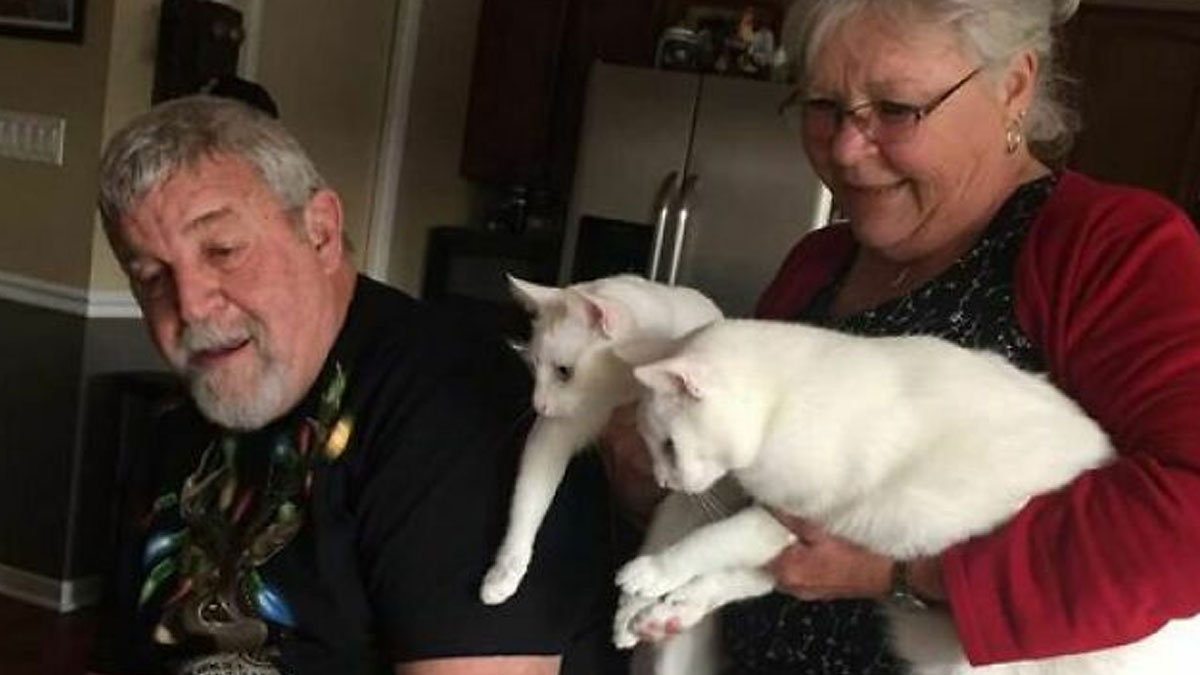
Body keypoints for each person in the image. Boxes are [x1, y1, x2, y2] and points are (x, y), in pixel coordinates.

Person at [605, 0, 1200, 672]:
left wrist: (903, 573)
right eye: (823, 104)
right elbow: (760, 506)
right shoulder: (817, 265)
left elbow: (1187, 517)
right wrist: (655, 483)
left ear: (1013, 86)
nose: (844, 148)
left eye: (895, 109)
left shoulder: (1110, 249)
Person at [89, 95, 621, 675]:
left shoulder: (453, 410)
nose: (190, 305)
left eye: (223, 250)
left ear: (320, 232)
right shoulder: (180, 422)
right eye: (151, 277)